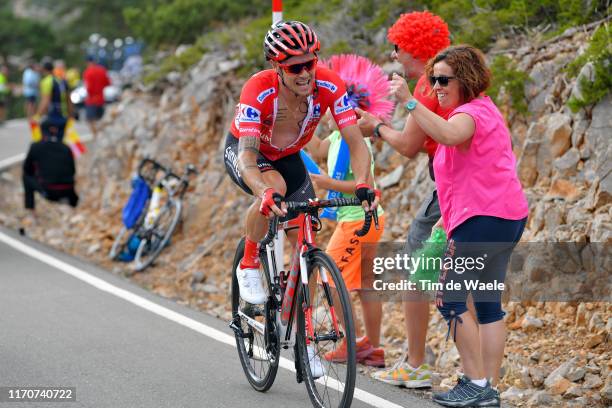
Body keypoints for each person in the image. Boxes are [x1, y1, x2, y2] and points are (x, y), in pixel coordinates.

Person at [223, 20, 379, 376]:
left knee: (305, 242)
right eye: (295, 67)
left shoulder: (327, 82)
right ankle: (248, 262)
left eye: (311, 63)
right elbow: (247, 157)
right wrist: (261, 189)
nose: (306, 73)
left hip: (288, 154)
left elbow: (355, 141)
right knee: (274, 185)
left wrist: (364, 183)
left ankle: (304, 341)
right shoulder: (258, 90)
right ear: (277, 67)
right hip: (250, 152)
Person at [390, 44, 529, 407]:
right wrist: (445, 227)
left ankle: (476, 383)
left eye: (443, 79)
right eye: (432, 78)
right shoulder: (480, 110)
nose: (436, 85)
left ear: (465, 79)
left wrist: (409, 102)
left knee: (449, 299)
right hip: (502, 217)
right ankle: (487, 389)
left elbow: (450, 136)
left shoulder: (469, 115)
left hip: (483, 220)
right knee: (486, 305)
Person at [357, 11, 452, 389]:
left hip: (448, 190)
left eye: (397, 47)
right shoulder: (440, 79)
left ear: (413, 47)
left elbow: (409, 146)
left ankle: (417, 363)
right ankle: (421, 360)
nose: (394, 55)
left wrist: (376, 127)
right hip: (448, 186)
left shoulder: (429, 86)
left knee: (418, 267)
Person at [307, 112, 386, 368]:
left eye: (330, 107)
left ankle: (352, 342)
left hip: (357, 220)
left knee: (328, 279)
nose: (324, 111)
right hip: (367, 219)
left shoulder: (355, 141)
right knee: (365, 285)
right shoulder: (336, 136)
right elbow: (318, 149)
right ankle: (372, 348)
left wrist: (326, 182)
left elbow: (366, 184)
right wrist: (300, 126)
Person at [22, 130, 79, 215]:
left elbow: (27, 169)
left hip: (48, 192)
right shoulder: (66, 147)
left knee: (26, 176)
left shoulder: (35, 146)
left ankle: (30, 210)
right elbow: (73, 171)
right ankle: (72, 205)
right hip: (68, 191)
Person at [35, 59, 73, 141]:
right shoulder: (62, 81)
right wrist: (70, 115)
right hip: (63, 117)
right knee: (60, 141)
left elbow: (45, 101)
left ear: (44, 69)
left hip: (51, 117)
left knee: (45, 140)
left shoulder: (46, 81)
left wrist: (38, 115)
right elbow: (69, 100)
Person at [83, 55, 110, 138]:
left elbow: (89, 88)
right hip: (101, 99)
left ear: (87, 62)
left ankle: (97, 136)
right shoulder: (102, 70)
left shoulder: (87, 72)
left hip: (91, 100)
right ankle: (101, 136)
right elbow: (108, 83)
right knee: (100, 120)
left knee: (90, 120)